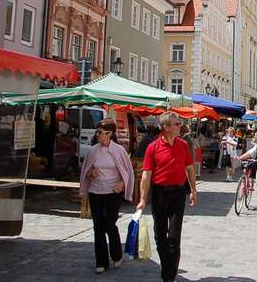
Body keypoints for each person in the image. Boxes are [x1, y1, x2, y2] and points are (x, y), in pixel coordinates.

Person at [137, 112, 197, 282]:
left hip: (178, 193)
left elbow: (190, 169)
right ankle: (168, 266)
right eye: (177, 124)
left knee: (174, 236)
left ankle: (168, 275)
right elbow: (146, 175)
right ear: (166, 127)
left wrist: (193, 190)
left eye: (179, 124)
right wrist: (142, 198)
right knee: (159, 233)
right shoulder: (153, 147)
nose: (180, 126)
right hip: (159, 193)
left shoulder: (183, 145)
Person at [79, 120, 134, 274]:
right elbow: (85, 171)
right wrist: (91, 174)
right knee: (98, 227)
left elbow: (127, 171)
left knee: (110, 224)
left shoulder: (119, 150)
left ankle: (116, 253)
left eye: (100, 132)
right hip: (96, 192)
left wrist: (121, 184)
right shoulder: (93, 151)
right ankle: (101, 262)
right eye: (97, 132)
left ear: (110, 134)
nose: (97, 135)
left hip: (112, 193)